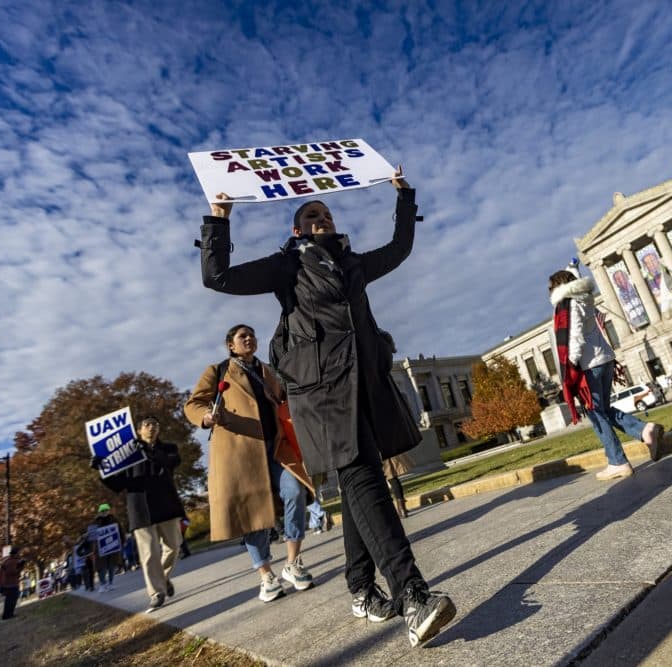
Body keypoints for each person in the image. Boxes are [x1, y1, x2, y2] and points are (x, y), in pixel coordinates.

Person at [197, 168, 456, 647]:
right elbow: (219, 277)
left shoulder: (354, 265)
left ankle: (360, 589)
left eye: (327, 212)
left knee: (364, 478)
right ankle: (414, 598)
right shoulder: (287, 267)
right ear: (297, 230)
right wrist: (219, 219)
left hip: (365, 388)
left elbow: (399, 249)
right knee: (362, 476)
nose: (322, 217)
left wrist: (403, 195)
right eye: (311, 214)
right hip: (321, 395)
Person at [184, 324, 315, 603]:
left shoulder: (268, 370)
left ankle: (292, 562)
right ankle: (266, 575)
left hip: (277, 447)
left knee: (295, 491)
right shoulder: (217, 371)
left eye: (252, 335)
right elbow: (193, 404)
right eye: (242, 336)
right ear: (231, 345)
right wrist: (206, 416)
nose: (249, 338)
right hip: (240, 453)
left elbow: (283, 398)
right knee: (252, 514)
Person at [549, 269, 665, 480]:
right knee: (603, 409)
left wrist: (570, 369)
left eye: (550, 287)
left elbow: (574, 336)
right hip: (605, 358)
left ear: (558, 286)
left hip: (588, 365)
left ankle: (617, 461)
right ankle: (645, 430)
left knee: (595, 414)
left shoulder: (569, 303)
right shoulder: (584, 297)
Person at [94, 416, 186, 613]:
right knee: (149, 554)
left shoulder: (168, 448)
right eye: (147, 424)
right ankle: (156, 593)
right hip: (140, 509)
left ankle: (162, 578)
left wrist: (148, 452)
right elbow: (117, 485)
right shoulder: (126, 455)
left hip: (166, 504)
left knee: (174, 547)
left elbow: (171, 463)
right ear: (138, 431)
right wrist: (102, 468)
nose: (152, 427)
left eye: (156, 424)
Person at [92, 503, 123, 593]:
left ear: (109, 511)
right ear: (99, 512)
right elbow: (92, 537)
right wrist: (93, 549)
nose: (105, 512)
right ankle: (102, 584)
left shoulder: (114, 520)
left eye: (106, 510)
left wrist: (122, 541)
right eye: (103, 511)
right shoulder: (95, 522)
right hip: (100, 549)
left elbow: (120, 531)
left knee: (112, 566)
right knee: (102, 567)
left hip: (113, 547)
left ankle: (111, 583)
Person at [0, 546, 25, 620]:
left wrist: (20, 565)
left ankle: (8, 615)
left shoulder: (10, 560)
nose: (20, 554)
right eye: (19, 552)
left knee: (11, 599)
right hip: (10, 583)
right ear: (16, 553)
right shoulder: (11, 561)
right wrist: (21, 565)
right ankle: (8, 615)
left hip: (8, 583)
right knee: (11, 599)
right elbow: (12, 572)